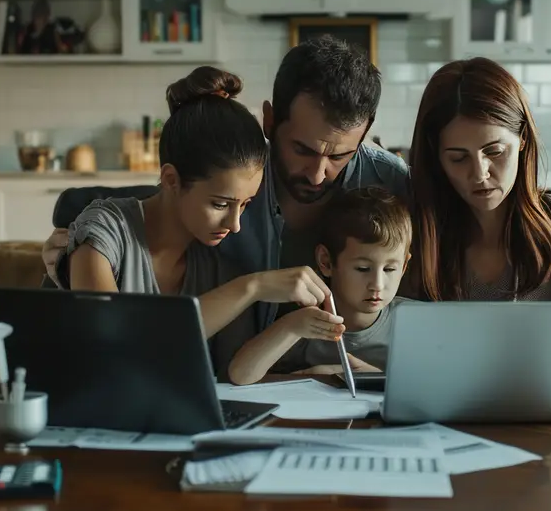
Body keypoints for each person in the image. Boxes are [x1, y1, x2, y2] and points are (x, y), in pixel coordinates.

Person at [41, 37, 410, 335]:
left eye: (340, 157)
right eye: (302, 150)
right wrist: (81, 240)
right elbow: (161, 203)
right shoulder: (236, 173)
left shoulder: (392, 183)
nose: (317, 174)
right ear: (269, 121)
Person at [58, 66, 340, 376]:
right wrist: (252, 287)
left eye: (245, 204)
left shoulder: (219, 264)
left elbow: (236, 375)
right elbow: (115, 349)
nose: (235, 225)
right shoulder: (106, 230)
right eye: (220, 203)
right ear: (171, 179)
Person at [406, 57, 551, 375]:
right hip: (440, 415)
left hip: (543, 415)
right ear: (436, 156)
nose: (479, 174)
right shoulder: (414, 229)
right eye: (457, 158)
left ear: (522, 138)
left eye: (495, 152)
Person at [227, 187, 411, 385]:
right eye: (363, 268)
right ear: (326, 262)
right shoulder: (307, 322)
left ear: (404, 266)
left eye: (390, 269)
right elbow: (239, 375)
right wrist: (290, 328)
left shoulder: (416, 323)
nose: (377, 284)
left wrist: (374, 379)